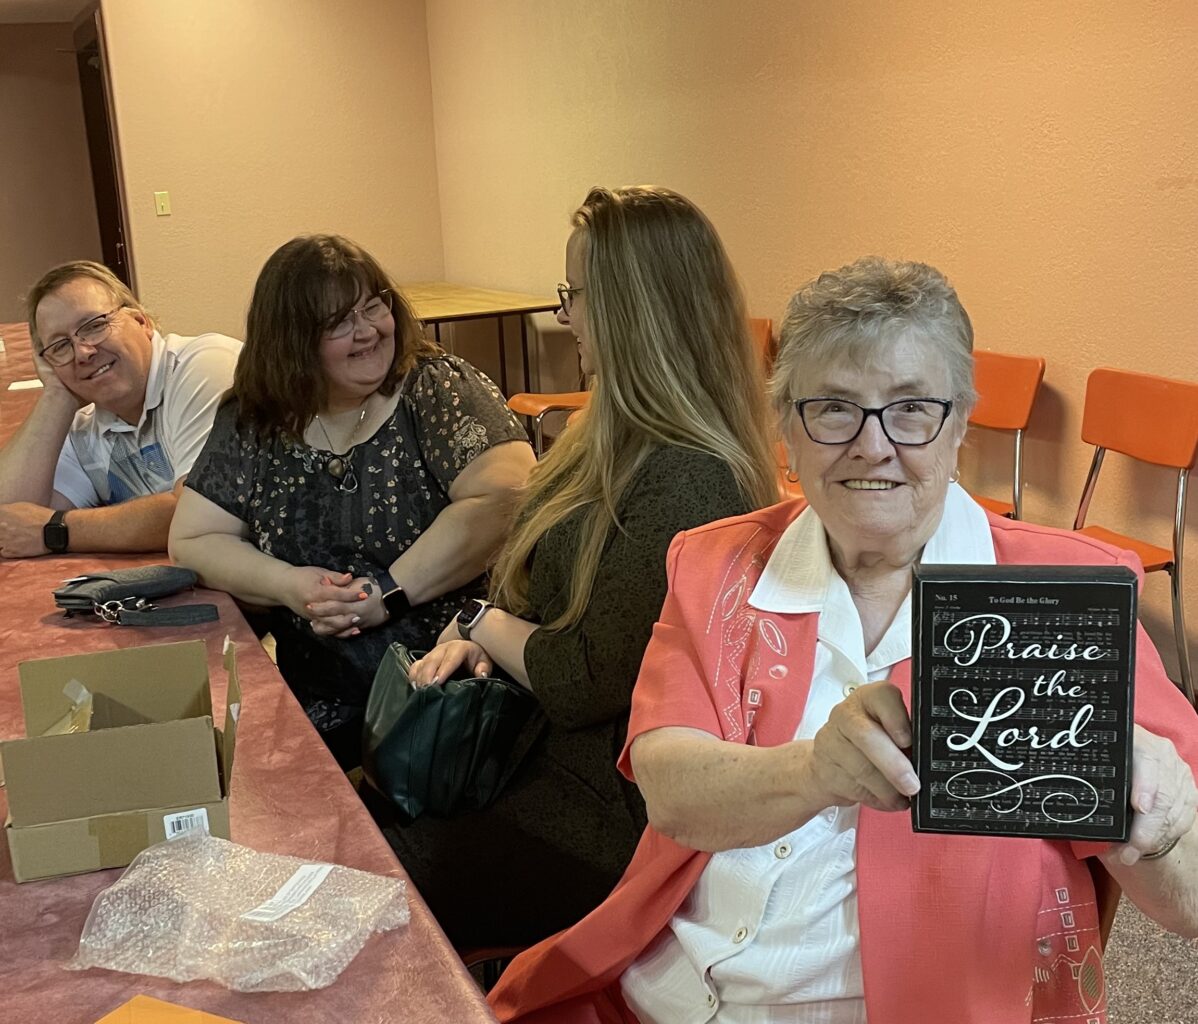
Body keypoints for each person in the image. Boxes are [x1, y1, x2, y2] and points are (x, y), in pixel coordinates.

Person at [488, 257, 1198, 1023]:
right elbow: (670, 791)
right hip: (665, 991)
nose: (872, 445)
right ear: (787, 427)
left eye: (911, 408)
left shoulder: (1069, 595)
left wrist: (1157, 834)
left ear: (960, 422)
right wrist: (816, 771)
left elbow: (1188, 897)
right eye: (832, 408)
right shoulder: (718, 563)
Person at [383, 186, 780, 950]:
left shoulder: (691, 478)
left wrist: (479, 624)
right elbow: (529, 593)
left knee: (378, 891)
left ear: (632, 310)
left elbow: (582, 678)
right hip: (543, 764)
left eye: (575, 296)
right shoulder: (608, 435)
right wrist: (486, 637)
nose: (565, 317)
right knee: (363, 828)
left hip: (602, 817)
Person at [168, 234, 534, 768]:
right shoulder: (256, 417)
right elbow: (194, 539)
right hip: (315, 699)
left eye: (374, 307)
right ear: (292, 342)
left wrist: (386, 592)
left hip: (446, 693)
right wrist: (293, 587)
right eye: (339, 323)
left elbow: (505, 497)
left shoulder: (436, 388)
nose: (368, 332)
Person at [0, 261, 241, 558]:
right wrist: (55, 397)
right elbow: (8, 522)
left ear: (142, 322)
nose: (83, 352)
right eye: (60, 346)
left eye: (94, 326)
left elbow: (199, 513)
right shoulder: (84, 426)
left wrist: (57, 530)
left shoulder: (206, 367)